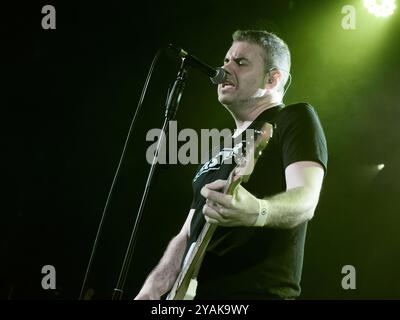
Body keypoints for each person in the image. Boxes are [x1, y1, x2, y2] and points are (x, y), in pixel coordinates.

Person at [135, 30, 328, 300]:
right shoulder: (219, 149)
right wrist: (151, 291)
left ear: (272, 79)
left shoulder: (293, 118)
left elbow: (307, 199)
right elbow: (187, 233)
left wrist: (258, 211)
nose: (224, 68)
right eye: (226, 60)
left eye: (240, 62)